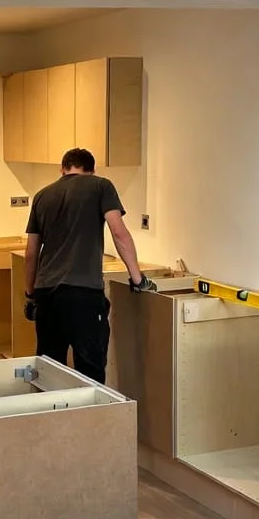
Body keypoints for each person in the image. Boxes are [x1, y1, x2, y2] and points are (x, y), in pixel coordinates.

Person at [23, 147, 156, 384]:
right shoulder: (101, 186)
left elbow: (32, 252)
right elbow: (119, 233)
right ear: (92, 170)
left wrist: (31, 294)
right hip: (83, 295)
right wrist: (138, 279)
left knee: (49, 370)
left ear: (62, 169)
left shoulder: (42, 195)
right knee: (90, 372)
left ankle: (52, 420)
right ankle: (90, 421)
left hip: (47, 296)